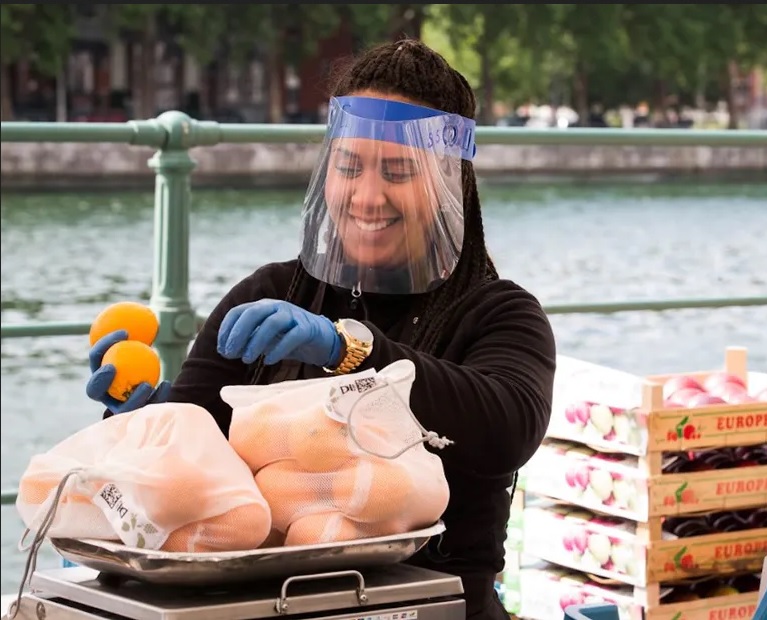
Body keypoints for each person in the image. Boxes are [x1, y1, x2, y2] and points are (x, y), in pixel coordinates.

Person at [85, 39, 557, 619]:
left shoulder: (500, 313)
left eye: (398, 171)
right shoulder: (269, 294)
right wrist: (143, 427)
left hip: (436, 602)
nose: (365, 195)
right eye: (348, 166)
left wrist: (351, 350)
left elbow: (509, 426)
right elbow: (188, 456)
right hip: (267, 606)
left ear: (449, 184)